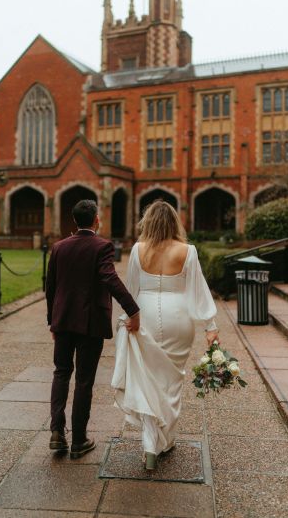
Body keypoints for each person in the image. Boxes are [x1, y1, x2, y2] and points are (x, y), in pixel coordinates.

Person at [112, 200, 219, 470]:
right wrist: (211, 325)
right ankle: (165, 439)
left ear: (147, 222)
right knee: (172, 382)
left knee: (146, 381)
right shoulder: (188, 251)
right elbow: (198, 289)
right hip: (178, 318)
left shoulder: (137, 250)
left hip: (144, 316)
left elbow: (131, 289)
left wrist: (128, 317)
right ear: (174, 222)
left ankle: (151, 444)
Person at [46, 199, 140, 459]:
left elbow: (50, 288)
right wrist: (133, 309)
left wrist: (51, 321)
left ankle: (56, 432)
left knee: (61, 373)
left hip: (62, 321)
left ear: (74, 221)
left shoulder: (59, 247)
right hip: (90, 323)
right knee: (84, 381)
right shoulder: (102, 246)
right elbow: (109, 278)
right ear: (97, 219)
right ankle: (78, 441)